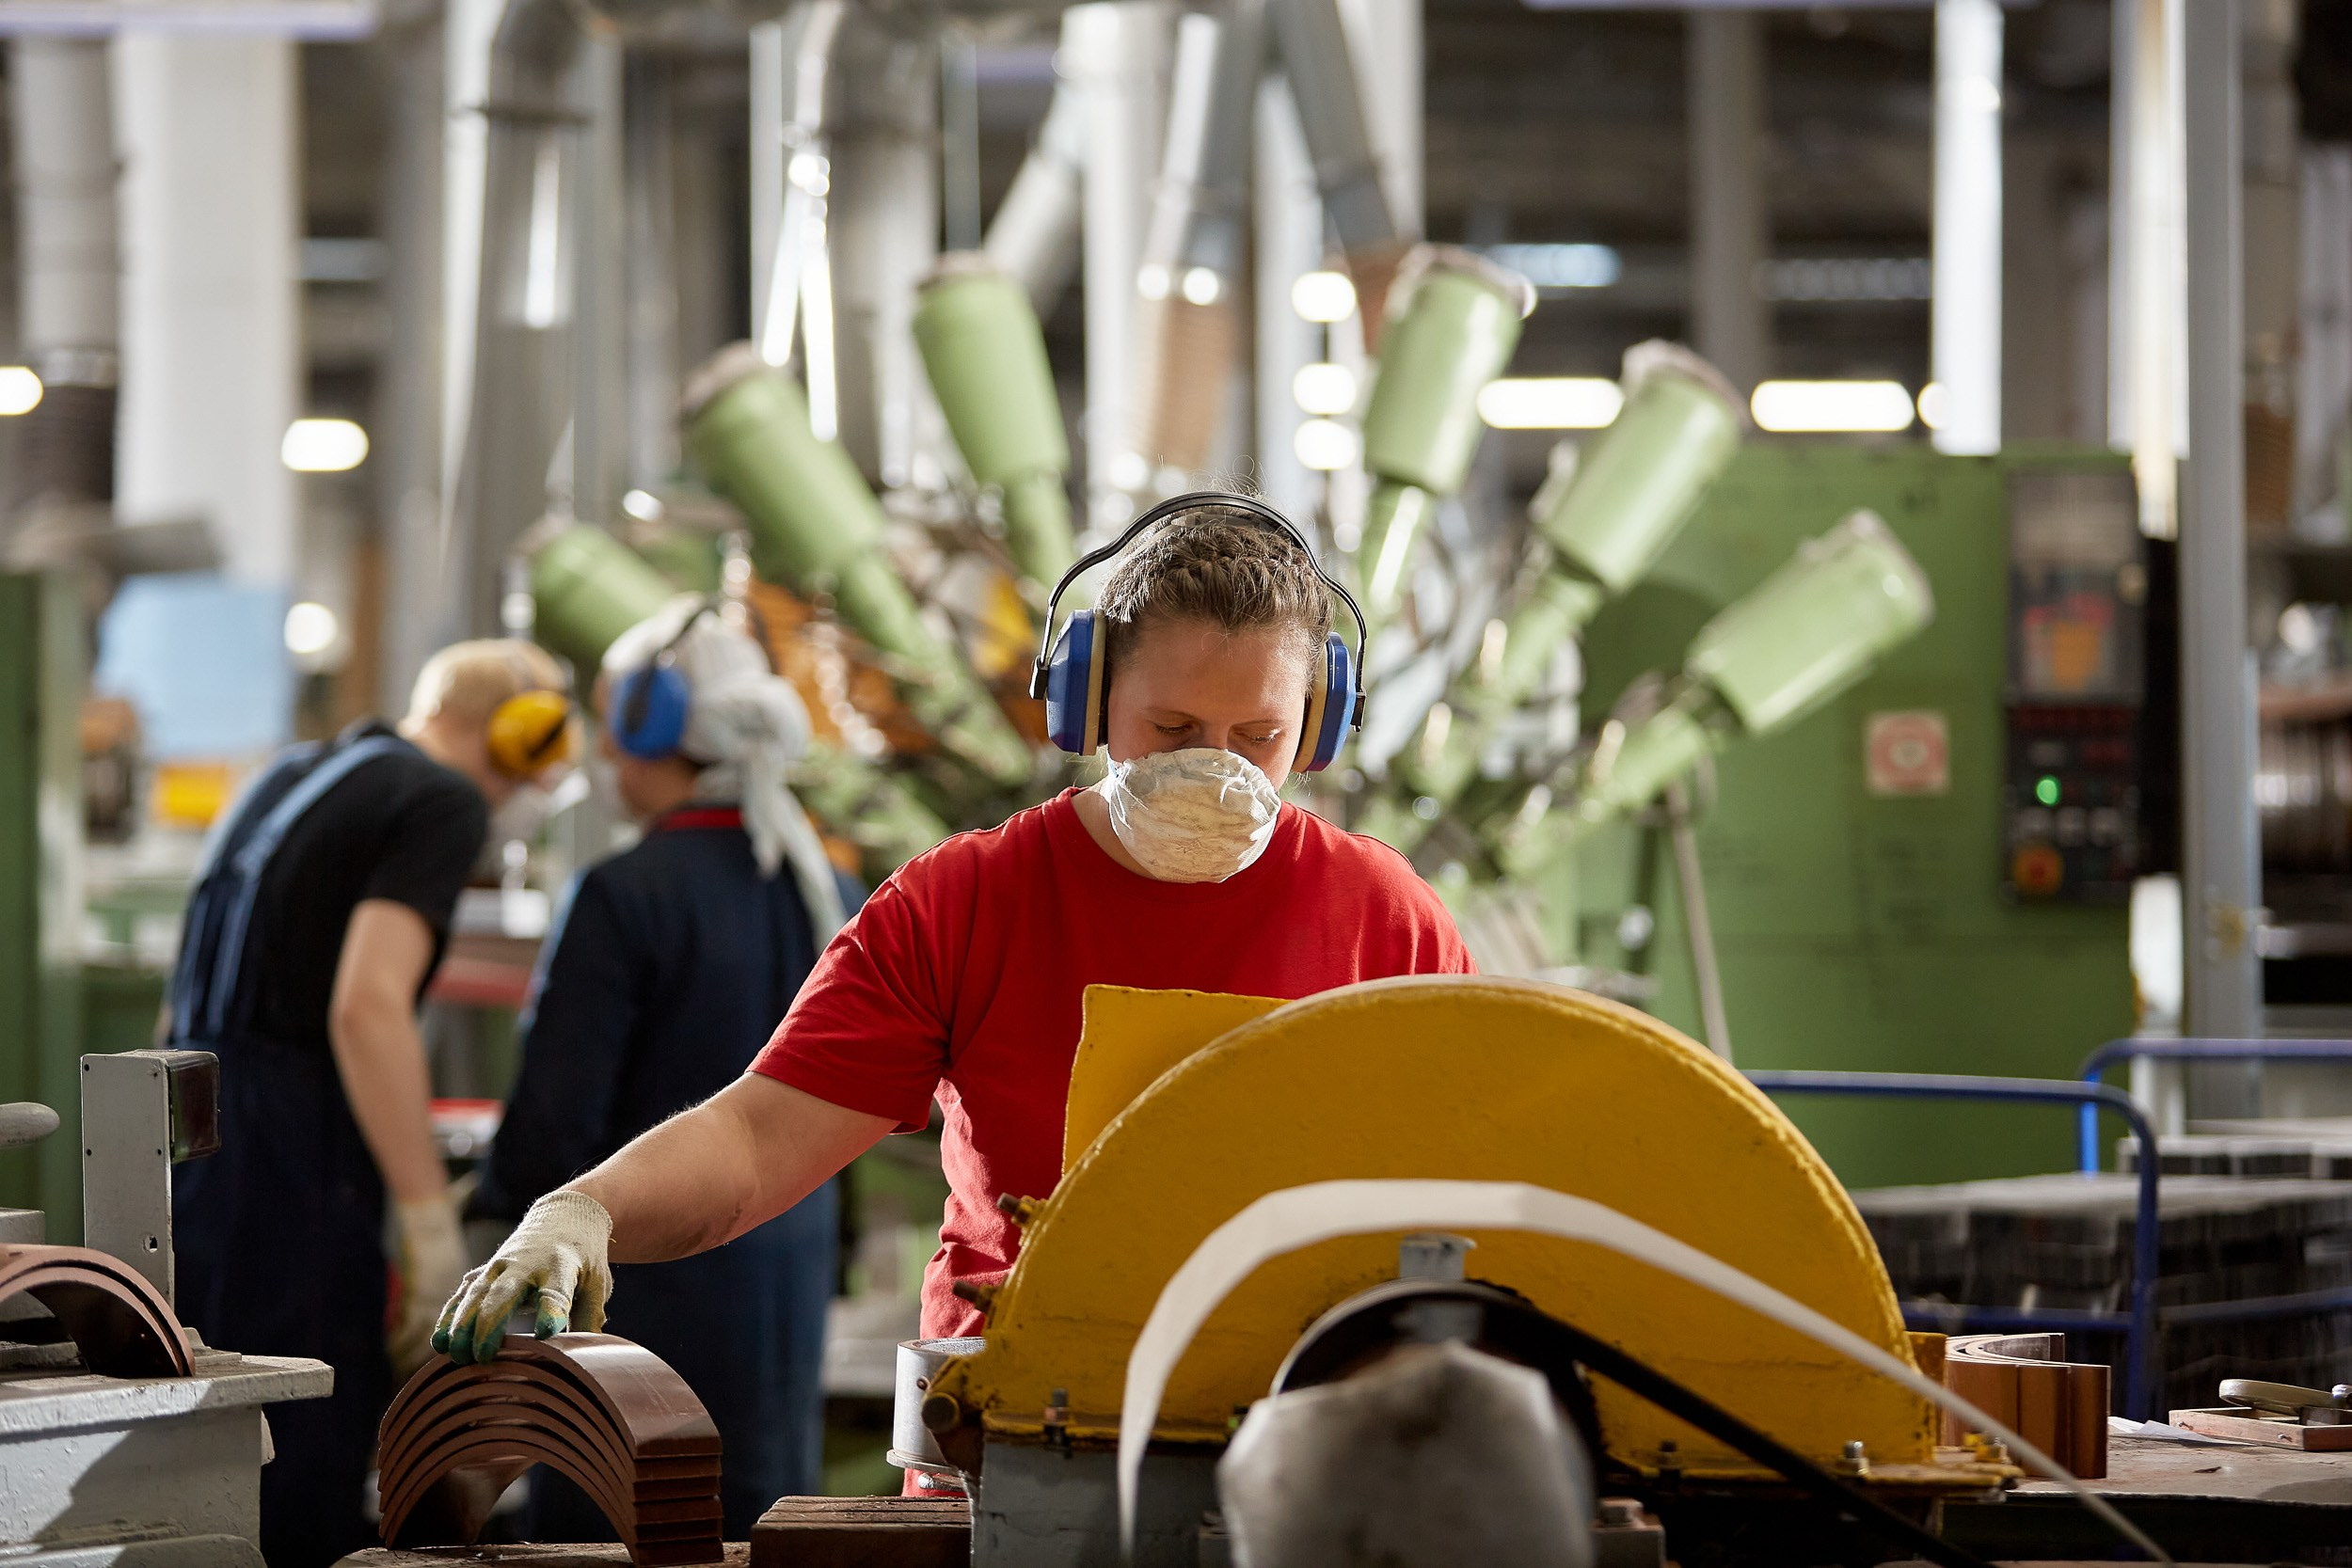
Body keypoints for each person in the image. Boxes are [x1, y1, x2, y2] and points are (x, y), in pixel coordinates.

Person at [434, 498, 1473, 1410]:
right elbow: (759, 1138)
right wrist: (588, 1209)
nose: (1216, 763)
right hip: (1006, 1423)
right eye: (1171, 723)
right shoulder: (964, 902)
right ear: (1086, 700)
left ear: (1320, 724)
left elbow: (1470, 1183)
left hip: (1297, 1417)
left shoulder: (1385, 916)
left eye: (1259, 734)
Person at [167, 640, 576, 1568]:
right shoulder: (442, 799)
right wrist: (429, 1218)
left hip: (192, 1149)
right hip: (295, 1167)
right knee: (300, 1451)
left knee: (202, 1446)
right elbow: (366, 1004)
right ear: (520, 734)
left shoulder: (293, 771)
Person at [474, 597, 857, 1535]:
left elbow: (555, 1125)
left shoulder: (622, 894)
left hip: (646, 1291)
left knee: (623, 1526)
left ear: (650, 723)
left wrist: (494, 1215)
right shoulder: (831, 889)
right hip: (786, 1282)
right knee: (760, 1526)